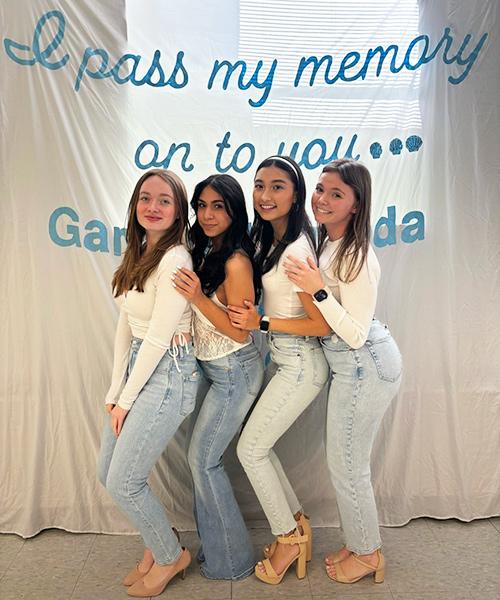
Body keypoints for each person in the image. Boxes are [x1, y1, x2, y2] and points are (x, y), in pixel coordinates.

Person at [283, 158, 402, 585]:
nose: (322, 199)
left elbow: (353, 333)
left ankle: (369, 553)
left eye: (337, 194)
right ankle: (360, 542)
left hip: (363, 364)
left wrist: (316, 287)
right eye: (320, 189)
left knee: (348, 465)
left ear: (356, 204)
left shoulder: (357, 254)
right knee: (344, 462)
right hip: (352, 366)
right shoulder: (327, 242)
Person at [228, 155, 331, 585]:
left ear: (295, 195)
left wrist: (262, 322)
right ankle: (296, 524)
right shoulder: (271, 239)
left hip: (302, 364)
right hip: (286, 361)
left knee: (250, 450)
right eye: (259, 185)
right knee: (258, 447)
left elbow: (321, 323)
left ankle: (288, 538)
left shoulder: (296, 252)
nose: (265, 195)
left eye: (277, 187)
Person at [97, 169, 200, 598]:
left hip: (170, 370)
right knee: (109, 474)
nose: (152, 207)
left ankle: (169, 555)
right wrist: (114, 388)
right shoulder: (139, 250)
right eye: (145, 198)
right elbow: (127, 321)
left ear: (177, 212)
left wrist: (127, 397)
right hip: (142, 365)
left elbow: (158, 337)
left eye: (164, 200)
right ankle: (158, 540)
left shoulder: (176, 258)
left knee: (125, 481)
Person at [171, 174, 264, 580]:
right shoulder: (206, 247)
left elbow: (240, 330)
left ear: (233, 210)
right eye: (201, 206)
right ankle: (217, 549)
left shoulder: (236, 260)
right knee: (200, 461)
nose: (207, 215)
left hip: (235, 370)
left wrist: (195, 298)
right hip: (211, 366)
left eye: (218, 207)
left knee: (203, 461)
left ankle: (233, 559)